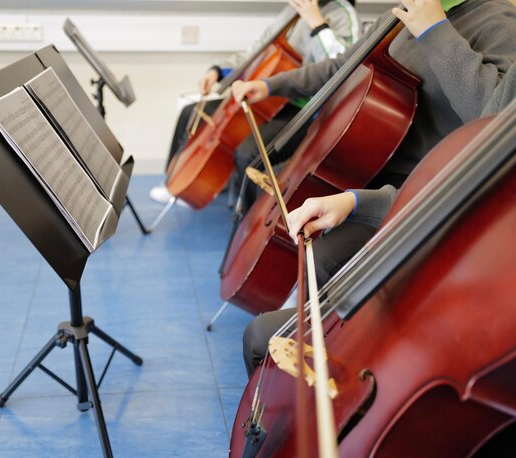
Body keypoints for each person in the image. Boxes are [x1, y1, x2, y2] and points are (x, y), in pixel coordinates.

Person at [239, 0, 516, 377]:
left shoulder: (498, 22)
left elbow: (494, 124)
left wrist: (436, 31)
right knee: (306, 243)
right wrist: (271, 85)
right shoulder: (401, 12)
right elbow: (342, 66)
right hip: (368, 179)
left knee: (322, 261)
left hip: (422, 198)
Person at [149, 0, 360, 205]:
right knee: (192, 111)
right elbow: (258, 50)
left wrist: (317, 24)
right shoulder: (291, 9)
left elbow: (340, 67)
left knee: (248, 154)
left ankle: (247, 219)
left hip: (301, 108)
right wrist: (218, 69)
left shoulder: (342, 12)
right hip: (265, 95)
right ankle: (173, 183)